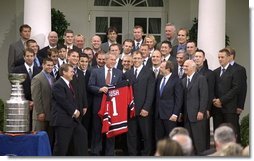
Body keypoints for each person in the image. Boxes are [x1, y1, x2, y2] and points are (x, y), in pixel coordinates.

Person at [88, 53, 123, 156]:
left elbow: (121, 89)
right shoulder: (95, 72)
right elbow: (90, 86)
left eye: (114, 60)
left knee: (111, 130)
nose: (113, 61)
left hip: (112, 107)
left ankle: (109, 153)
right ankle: (95, 151)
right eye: (111, 59)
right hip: (99, 106)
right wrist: (99, 89)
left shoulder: (119, 73)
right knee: (97, 129)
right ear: (106, 60)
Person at [51, 64, 88, 156]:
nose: (73, 74)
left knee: (82, 135)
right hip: (62, 121)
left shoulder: (68, 84)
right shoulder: (58, 85)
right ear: (64, 72)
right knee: (61, 147)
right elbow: (63, 101)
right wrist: (74, 111)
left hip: (72, 120)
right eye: (71, 72)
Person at [123, 51, 155, 156]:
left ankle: (147, 155)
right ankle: (133, 154)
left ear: (142, 59)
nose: (136, 60)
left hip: (144, 111)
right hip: (131, 111)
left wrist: (146, 108)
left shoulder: (149, 72)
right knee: (131, 135)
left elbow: (151, 92)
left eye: (138, 58)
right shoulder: (128, 73)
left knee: (146, 135)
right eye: (134, 58)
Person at [212, 48, 241, 142]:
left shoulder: (235, 71)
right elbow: (211, 88)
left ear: (229, 58)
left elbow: (235, 89)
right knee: (218, 132)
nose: (220, 59)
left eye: (222, 57)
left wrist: (222, 100)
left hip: (229, 108)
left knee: (231, 132)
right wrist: (214, 100)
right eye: (219, 57)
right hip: (217, 108)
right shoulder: (215, 72)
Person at [182, 59, 208, 155]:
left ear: (193, 67)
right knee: (189, 143)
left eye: (186, 66)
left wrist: (201, 111)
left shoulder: (201, 78)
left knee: (199, 141)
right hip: (186, 117)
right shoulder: (183, 80)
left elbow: (204, 96)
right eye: (184, 66)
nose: (184, 68)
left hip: (197, 115)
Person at [12, 48, 41, 131]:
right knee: (23, 128)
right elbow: (16, 87)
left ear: (34, 57)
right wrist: (26, 101)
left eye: (31, 56)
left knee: (34, 129)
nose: (29, 58)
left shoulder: (39, 70)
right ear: (24, 57)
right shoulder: (17, 70)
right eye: (27, 56)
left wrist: (34, 101)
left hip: (35, 104)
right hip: (22, 103)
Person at [155, 60, 183, 141]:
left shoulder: (176, 81)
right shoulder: (159, 78)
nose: (159, 69)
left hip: (170, 115)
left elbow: (179, 99)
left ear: (168, 69)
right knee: (159, 138)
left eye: (161, 67)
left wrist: (175, 114)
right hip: (158, 115)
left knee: (171, 138)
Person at [194, 49, 215, 149]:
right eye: (196, 56)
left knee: (203, 134)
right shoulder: (191, 72)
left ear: (204, 58)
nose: (197, 58)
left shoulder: (209, 73)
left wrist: (207, 109)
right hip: (191, 108)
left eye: (199, 57)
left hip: (203, 108)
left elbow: (210, 93)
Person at [226, 47, 247, 143]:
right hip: (223, 106)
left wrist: (240, 105)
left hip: (234, 105)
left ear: (231, 56)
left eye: (226, 55)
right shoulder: (221, 69)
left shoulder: (240, 69)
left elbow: (242, 89)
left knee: (234, 129)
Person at [31, 58, 54, 146]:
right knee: (38, 139)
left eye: (52, 65)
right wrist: (40, 112)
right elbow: (36, 97)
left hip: (50, 114)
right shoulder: (37, 78)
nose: (50, 67)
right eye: (48, 65)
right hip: (40, 115)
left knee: (47, 140)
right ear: (43, 65)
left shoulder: (52, 78)